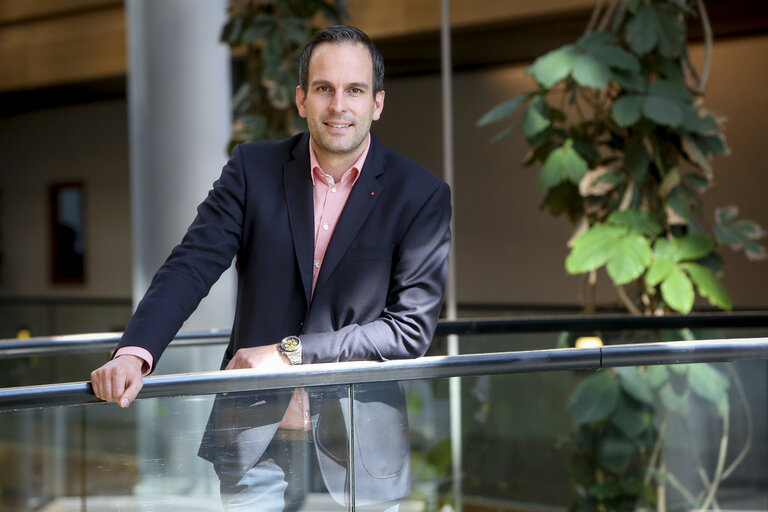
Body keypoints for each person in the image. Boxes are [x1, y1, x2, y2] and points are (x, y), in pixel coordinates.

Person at [90, 25, 451, 511]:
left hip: (358, 448)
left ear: (377, 103)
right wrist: (135, 352)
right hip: (254, 435)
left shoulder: (420, 194)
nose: (338, 106)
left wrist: (290, 352)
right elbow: (192, 264)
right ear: (301, 98)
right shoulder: (252, 169)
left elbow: (408, 331)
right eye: (324, 89)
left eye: (355, 91)